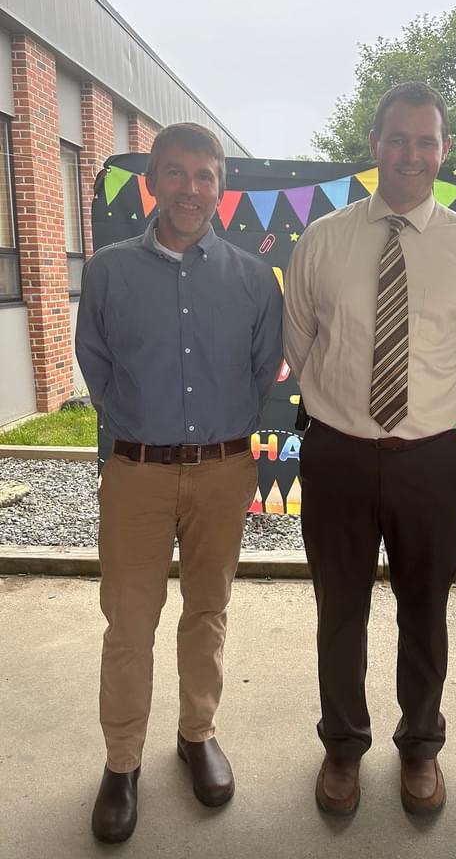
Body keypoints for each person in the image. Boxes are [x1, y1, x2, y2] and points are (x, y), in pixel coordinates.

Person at [283, 81, 456, 816]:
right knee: (338, 610)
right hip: (338, 453)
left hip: (429, 459)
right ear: (375, 145)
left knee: (425, 610)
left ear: (443, 150)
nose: (413, 153)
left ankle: (420, 748)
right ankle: (342, 748)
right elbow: (302, 341)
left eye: (427, 140)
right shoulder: (324, 239)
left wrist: (424, 419)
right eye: (399, 138)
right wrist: (345, 415)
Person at [76, 122, 283, 843]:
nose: (190, 188)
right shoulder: (107, 271)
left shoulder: (255, 280)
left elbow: (264, 374)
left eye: (204, 174)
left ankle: (197, 734)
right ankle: (121, 761)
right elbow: (96, 366)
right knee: (128, 624)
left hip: (225, 471)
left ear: (220, 186)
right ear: (152, 183)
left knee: (208, 610)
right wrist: (146, 422)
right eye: (176, 173)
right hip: (135, 472)